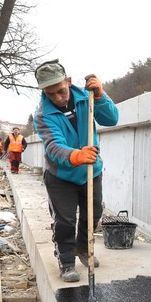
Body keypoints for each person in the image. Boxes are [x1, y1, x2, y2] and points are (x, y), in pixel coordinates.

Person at [33, 59, 119, 282]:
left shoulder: (86, 98)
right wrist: (74, 155)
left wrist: (100, 96)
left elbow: (111, 119)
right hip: (61, 176)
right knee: (65, 221)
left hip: (91, 170)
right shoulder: (43, 115)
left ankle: (83, 247)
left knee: (94, 214)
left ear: (69, 82)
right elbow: (53, 146)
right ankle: (67, 261)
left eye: (60, 91)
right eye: (50, 94)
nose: (57, 97)